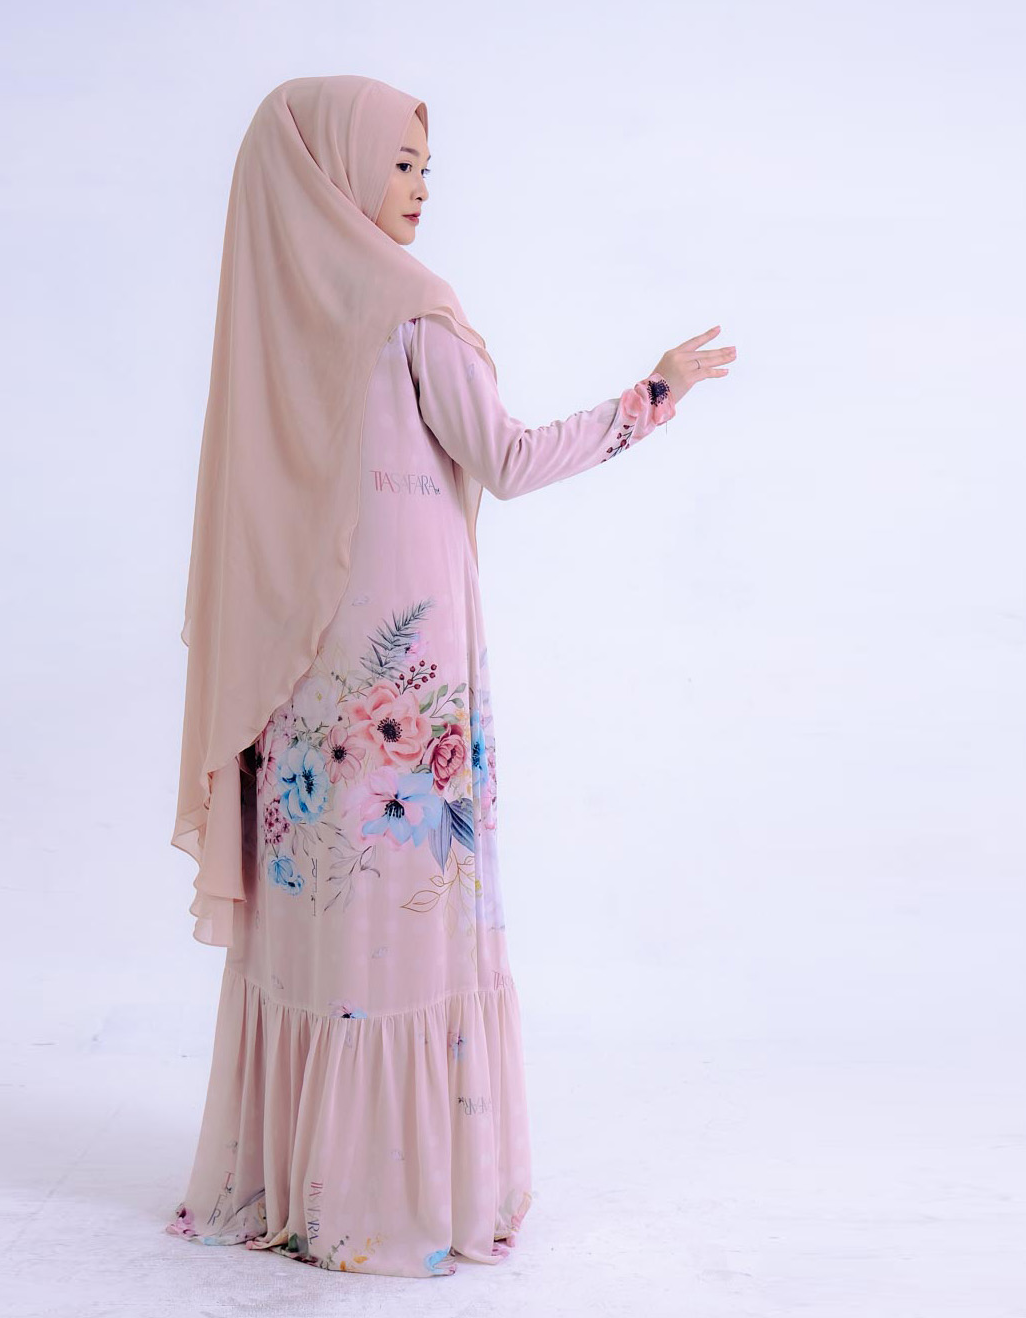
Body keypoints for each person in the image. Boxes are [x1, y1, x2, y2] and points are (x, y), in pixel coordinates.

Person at [166, 75, 735, 1279]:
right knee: (397, 917)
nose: (420, 189)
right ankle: (386, 1193)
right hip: (400, 668)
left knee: (331, 911)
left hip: (305, 673)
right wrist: (652, 394)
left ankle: (308, 1183)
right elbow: (508, 460)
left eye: (427, 168)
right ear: (336, 167)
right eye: (400, 163)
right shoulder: (409, 307)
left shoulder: (285, 313)